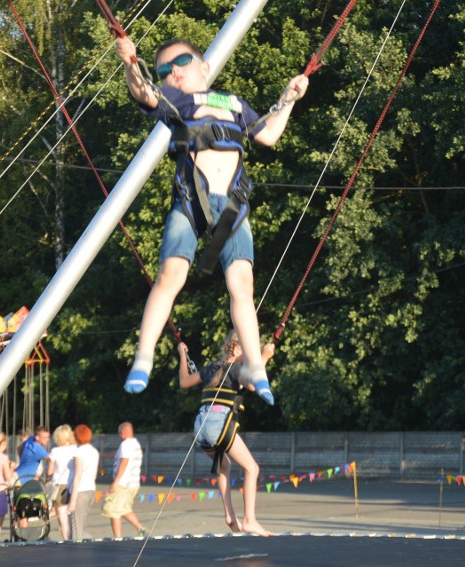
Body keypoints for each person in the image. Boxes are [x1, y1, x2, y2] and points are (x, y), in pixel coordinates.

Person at [115, 35, 309, 406]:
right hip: (191, 201)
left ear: (204, 66)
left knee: (242, 285)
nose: (174, 72)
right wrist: (129, 63)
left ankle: (254, 364)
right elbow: (143, 92)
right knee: (172, 274)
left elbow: (268, 134)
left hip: (233, 206)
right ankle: (144, 356)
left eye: (181, 62)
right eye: (164, 70)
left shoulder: (234, 103)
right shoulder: (175, 101)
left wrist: (289, 97)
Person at [178, 330, 274, 536]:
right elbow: (252, 385)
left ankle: (230, 515)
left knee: (224, 467)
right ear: (238, 348)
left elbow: (184, 381)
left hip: (200, 427)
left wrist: (181, 355)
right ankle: (250, 519)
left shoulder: (210, 368)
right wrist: (265, 357)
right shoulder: (237, 369)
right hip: (219, 424)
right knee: (252, 469)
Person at [102, 422, 145, 537]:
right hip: (133, 483)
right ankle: (141, 529)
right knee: (124, 508)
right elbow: (117, 454)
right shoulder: (135, 444)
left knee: (113, 510)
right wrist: (103, 455)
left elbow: (124, 462)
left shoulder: (125, 444)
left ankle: (117, 537)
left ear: (122, 433)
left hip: (123, 483)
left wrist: (115, 482)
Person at [68, 424, 99, 541]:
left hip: (79, 491)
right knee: (79, 526)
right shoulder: (94, 451)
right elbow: (94, 475)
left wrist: (72, 501)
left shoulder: (79, 452)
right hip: (90, 489)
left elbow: (77, 476)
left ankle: (77, 553)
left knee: (76, 530)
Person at [45, 424, 77, 541]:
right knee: (73, 516)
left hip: (59, 486)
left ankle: (66, 540)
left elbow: (49, 471)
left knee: (63, 518)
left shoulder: (55, 451)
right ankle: (75, 538)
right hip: (74, 484)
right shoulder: (76, 449)